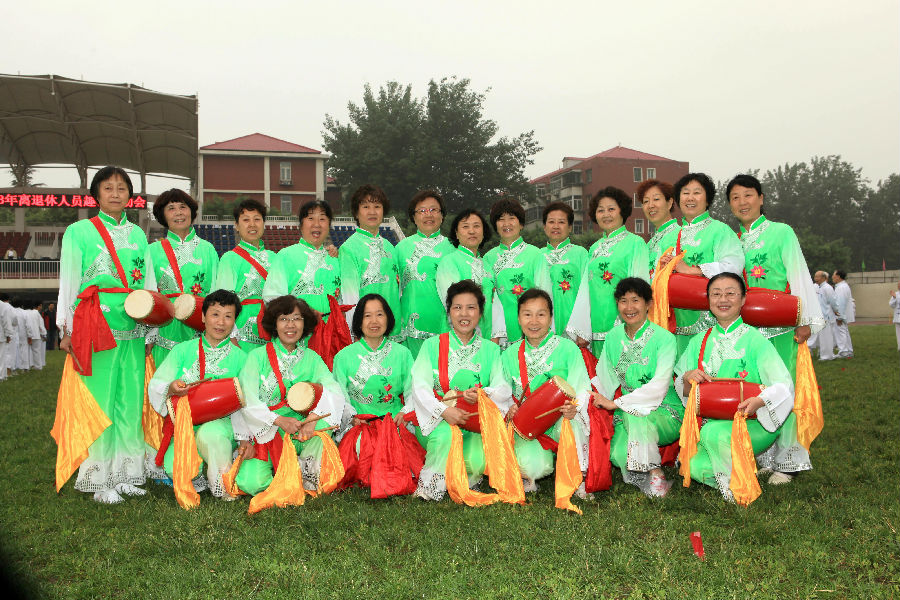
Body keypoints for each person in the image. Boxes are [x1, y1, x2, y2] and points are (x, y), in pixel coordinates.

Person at [57, 166, 153, 504]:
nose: (115, 193)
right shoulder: (79, 231)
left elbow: (148, 283)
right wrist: (66, 327)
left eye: (121, 188)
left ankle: (127, 473)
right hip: (96, 325)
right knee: (101, 401)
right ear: (96, 194)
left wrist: (150, 324)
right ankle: (99, 479)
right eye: (108, 187)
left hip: (134, 326)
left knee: (130, 400)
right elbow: (69, 280)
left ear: (130, 196)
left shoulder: (139, 234)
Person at [728, 174, 824, 484]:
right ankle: (766, 456)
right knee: (757, 388)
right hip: (748, 332)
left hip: (782, 326)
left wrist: (804, 319)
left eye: (748, 195)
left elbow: (798, 272)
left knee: (785, 387)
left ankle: (789, 460)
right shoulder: (733, 241)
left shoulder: (781, 232)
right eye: (735, 198)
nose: (742, 202)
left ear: (761, 198)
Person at [674, 272, 795, 502]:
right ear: (708, 300)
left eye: (730, 293)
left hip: (752, 423)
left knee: (713, 433)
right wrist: (687, 377)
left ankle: (738, 491)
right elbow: (682, 387)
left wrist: (760, 400)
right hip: (711, 421)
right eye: (716, 294)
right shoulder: (699, 341)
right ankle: (739, 467)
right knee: (693, 467)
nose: (723, 299)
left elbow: (784, 385)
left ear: (743, 299)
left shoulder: (755, 340)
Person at [408, 279, 510, 500]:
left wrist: (482, 395)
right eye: (457, 307)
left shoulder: (491, 350)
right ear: (449, 312)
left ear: (480, 312)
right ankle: (431, 486)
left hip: (473, 424)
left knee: (477, 462)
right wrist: (444, 411)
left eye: (471, 307)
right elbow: (420, 386)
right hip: (438, 423)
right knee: (446, 436)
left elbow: (502, 387)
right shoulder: (432, 345)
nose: (464, 314)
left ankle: (461, 476)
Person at [234, 295, 345, 494]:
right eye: (283, 319)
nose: (290, 325)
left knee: (323, 426)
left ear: (305, 324)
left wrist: (312, 419)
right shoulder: (256, 357)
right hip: (269, 431)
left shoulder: (312, 358)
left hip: (303, 432)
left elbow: (333, 390)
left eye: (297, 319)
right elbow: (247, 399)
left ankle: (305, 471)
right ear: (274, 324)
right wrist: (278, 420)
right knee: (252, 484)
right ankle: (288, 469)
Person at [147, 290, 247, 499]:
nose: (221, 322)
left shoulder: (241, 358)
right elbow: (157, 383)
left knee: (210, 434)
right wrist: (171, 387)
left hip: (223, 425)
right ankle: (200, 473)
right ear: (203, 317)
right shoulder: (182, 350)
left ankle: (224, 485)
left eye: (228, 316)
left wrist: (244, 438)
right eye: (215, 314)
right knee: (175, 467)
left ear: (234, 322)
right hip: (186, 425)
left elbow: (249, 402)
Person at [590, 278, 683, 497]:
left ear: (648, 304)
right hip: (626, 410)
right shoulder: (613, 337)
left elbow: (660, 385)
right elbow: (604, 379)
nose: (629, 307)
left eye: (635, 300)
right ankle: (644, 473)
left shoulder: (665, 339)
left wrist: (617, 404)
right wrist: (589, 399)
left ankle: (656, 473)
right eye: (623, 301)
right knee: (618, 455)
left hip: (665, 411)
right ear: (617, 304)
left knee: (635, 415)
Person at [500, 289, 591, 495]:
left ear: (551, 318)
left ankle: (578, 477)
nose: (534, 321)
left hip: (561, 419)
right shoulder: (509, 355)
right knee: (535, 468)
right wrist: (510, 408)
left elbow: (582, 387)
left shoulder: (568, 348)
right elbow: (501, 393)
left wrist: (574, 408)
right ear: (518, 318)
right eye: (527, 314)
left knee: (574, 423)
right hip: (528, 425)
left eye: (541, 314)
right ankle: (529, 474)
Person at [332, 294, 416, 493]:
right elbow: (338, 395)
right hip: (360, 425)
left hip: (394, 422)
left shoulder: (403, 353)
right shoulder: (343, 357)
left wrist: (405, 413)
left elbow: (413, 391)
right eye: (367, 316)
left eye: (379, 314)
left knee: (401, 457)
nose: (374, 321)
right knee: (362, 452)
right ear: (359, 321)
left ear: (388, 318)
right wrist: (352, 418)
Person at [660, 173, 744, 356]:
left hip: (710, 323)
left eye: (697, 192)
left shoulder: (719, 230)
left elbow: (733, 265)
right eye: (685, 193)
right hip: (672, 323)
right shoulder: (669, 236)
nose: (690, 198)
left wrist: (694, 270)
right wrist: (661, 269)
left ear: (707, 200)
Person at [567, 186, 649, 356]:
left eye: (611, 209)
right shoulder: (594, 248)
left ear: (622, 211)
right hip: (595, 328)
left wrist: (630, 321)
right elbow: (585, 289)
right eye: (601, 210)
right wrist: (582, 328)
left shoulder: (635, 243)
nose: (606, 215)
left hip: (624, 326)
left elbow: (641, 287)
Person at [146, 189, 219, 365]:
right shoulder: (152, 251)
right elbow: (148, 294)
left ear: (191, 212)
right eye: (171, 208)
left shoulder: (208, 249)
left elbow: (216, 291)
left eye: (183, 207)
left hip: (200, 327)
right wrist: (150, 334)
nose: (178, 212)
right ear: (163, 215)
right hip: (165, 328)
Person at [395, 190, 455, 357]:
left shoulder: (453, 248)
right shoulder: (400, 249)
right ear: (414, 217)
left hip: (445, 328)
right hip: (409, 329)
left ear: (442, 216)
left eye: (433, 210)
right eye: (422, 210)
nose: (428, 215)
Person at [483, 198, 551, 347]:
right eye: (501, 219)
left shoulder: (535, 254)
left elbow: (545, 295)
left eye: (511, 218)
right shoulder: (488, 258)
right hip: (495, 335)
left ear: (521, 224)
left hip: (530, 331)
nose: (506, 224)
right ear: (495, 224)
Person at [339, 184, 402, 340]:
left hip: (393, 331)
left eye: (377, 206)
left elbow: (398, 290)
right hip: (366, 333)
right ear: (356, 212)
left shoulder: (390, 247)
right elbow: (350, 296)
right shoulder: (349, 248)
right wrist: (355, 333)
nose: (372, 212)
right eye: (366, 207)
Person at [214, 199, 277, 352]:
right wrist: (232, 338)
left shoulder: (275, 257)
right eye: (246, 220)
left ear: (264, 223)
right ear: (237, 225)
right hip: (241, 334)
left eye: (257, 219)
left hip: (272, 329)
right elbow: (223, 302)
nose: (252, 225)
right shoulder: (230, 258)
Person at [263, 200, 341, 317]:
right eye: (311, 218)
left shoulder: (334, 258)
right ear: (301, 225)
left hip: (332, 327)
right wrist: (306, 313)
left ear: (329, 226)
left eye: (322, 219)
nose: (317, 224)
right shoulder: (285, 255)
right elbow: (272, 298)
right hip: (297, 327)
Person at [436, 208, 497, 340]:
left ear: (483, 232)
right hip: (458, 336)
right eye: (465, 226)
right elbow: (451, 303)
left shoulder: (487, 265)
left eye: (476, 226)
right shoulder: (449, 262)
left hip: (487, 336)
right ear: (456, 233)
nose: (472, 231)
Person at [541, 201, 589, 337]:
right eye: (551, 222)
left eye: (561, 222)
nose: (556, 226)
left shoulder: (581, 254)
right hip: (541, 328)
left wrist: (582, 331)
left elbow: (586, 293)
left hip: (573, 328)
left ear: (570, 227)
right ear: (544, 227)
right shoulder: (537, 256)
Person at [638, 179, 681, 280]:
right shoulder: (649, 244)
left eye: (656, 199)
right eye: (646, 201)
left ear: (669, 203)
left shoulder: (681, 235)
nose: (650, 205)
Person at [807, 271, 837, 361]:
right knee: (820, 336)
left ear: (824, 278)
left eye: (817, 277)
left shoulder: (827, 288)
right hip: (819, 315)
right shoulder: (818, 287)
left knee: (826, 337)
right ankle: (824, 353)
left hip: (825, 316)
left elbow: (833, 301)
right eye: (815, 276)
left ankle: (827, 355)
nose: (815, 279)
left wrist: (836, 311)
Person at [832, 270, 854, 358]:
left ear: (838, 276)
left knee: (840, 332)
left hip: (840, 315)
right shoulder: (843, 286)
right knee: (844, 331)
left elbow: (840, 303)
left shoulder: (841, 288)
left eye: (834, 275)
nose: (832, 277)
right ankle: (848, 350)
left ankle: (843, 351)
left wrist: (839, 317)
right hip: (842, 314)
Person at [0, 293, 12, 380]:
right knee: (1, 356)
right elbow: (6, 321)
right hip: (1, 334)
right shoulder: (3, 305)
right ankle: (1, 376)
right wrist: (8, 334)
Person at [890, 282, 900, 351]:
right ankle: (899, 347)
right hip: (897, 317)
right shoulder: (895, 294)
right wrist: (894, 297)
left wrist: (896, 297)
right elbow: (891, 305)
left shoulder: (896, 295)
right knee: (898, 334)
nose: (899, 286)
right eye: (898, 285)